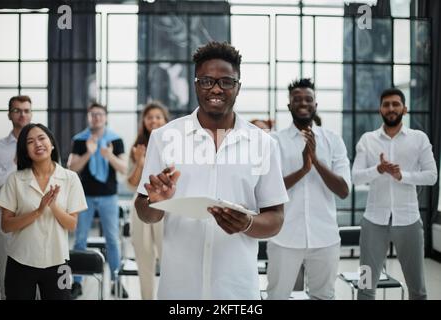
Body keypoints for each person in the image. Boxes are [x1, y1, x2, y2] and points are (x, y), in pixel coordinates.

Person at [134, 41, 289, 299]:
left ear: (238, 86)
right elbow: (144, 212)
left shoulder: (263, 144)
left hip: (236, 289)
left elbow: (276, 219)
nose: (216, 89)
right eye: (206, 81)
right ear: (196, 84)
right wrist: (155, 202)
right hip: (179, 289)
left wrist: (247, 223)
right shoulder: (165, 137)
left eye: (226, 82)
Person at [266, 78, 351, 300]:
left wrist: (316, 161)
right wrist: (304, 169)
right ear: (289, 106)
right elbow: (268, 190)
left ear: (315, 105)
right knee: (277, 296)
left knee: (323, 296)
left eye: (308, 99)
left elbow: (343, 190)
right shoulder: (274, 141)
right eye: (297, 99)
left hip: (325, 237)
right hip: (284, 237)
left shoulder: (334, 140)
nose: (303, 103)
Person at [352, 88, 437, 300]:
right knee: (365, 285)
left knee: (418, 289)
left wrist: (402, 176)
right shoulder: (367, 139)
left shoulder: (419, 138)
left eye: (395, 104)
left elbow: (432, 176)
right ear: (380, 109)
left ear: (404, 109)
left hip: (409, 221)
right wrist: (378, 170)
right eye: (386, 104)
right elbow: (355, 178)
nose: (391, 108)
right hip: (373, 223)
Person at [0, 123, 87, 299]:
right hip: (20, 261)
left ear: (51, 144)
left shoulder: (70, 178)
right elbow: (6, 225)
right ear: (25, 150)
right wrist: (38, 211)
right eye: (30, 141)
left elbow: (72, 224)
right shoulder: (15, 179)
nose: (37, 144)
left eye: (41, 138)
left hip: (58, 261)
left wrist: (53, 206)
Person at [67, 102, 128, 298]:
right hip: (84, 197)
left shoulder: (115, 140)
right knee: (80, 240)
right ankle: (76, 283)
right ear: (88, 117)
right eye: (93, 114)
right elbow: (72, 168)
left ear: (105, 117)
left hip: (109, 197)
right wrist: (89, 153)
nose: (96, 117)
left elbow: (124, 169)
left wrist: (108, 155)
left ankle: (116, 282)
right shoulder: (79, 140)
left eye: (100, 114)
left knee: (112, 240)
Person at [126, 101, 169, 299]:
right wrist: (140, 162)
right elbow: (131, 183)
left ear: (165, 120)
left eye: (158, 117)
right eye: (150, 117)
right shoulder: (137, 147)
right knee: (144, 259)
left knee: (168, 257)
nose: (154, 120)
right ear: (144, 121)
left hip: (167, 203)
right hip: (141, 202)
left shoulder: (173, 144)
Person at [0, 95, 32, 299]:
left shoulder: (40, 144)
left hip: (35, 217)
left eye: (26, 110)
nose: (22, 114)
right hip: (4, 218)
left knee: (36, 277)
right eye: (17, 110)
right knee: (6, 277)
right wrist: (13, 164)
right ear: (9, 114)